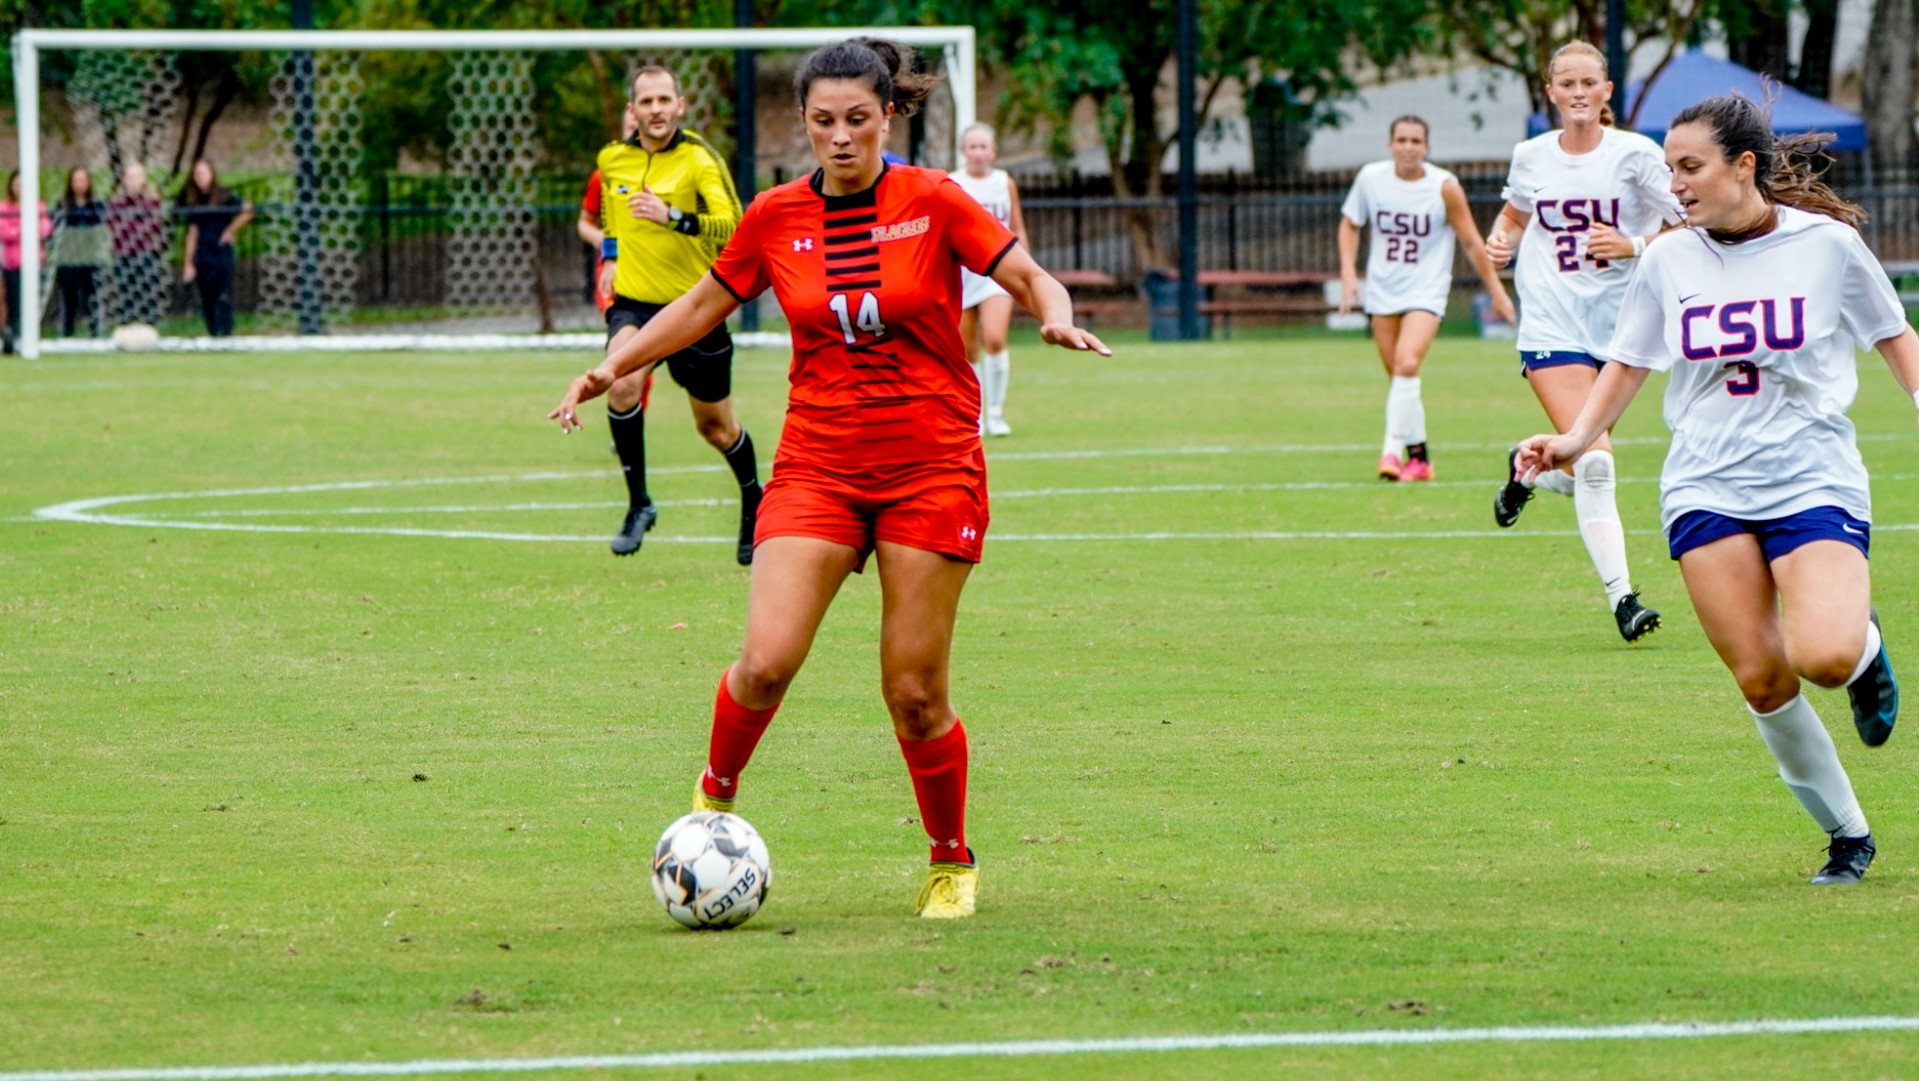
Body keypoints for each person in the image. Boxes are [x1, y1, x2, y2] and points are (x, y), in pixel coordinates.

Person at [551, 37, 1110, 918]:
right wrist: (611, 362)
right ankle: (712, 798)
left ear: (887, 115)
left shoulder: (934, 201)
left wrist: (1056, 314)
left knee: (914, 693)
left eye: (857, 119)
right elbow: (700, 305)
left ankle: (948, 859)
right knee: (765, 662)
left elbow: (1025, 272)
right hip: (817, 464)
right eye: (822, 122)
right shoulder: (775, 216)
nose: (839, 137)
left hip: (931, 466)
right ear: (803, 123)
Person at [1516, 93, 1918, 885]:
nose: (1676, 185)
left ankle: (1864, 646)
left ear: (1743, 166)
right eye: (1668, 170)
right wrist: (1571, 440)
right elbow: (1628, 360)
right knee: (1763, 678)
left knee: (1825, 657)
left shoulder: (1827, 245)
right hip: (1705, 481)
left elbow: (1894, 336)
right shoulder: (1666, 257)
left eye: (1690, 167)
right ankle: (1847, 835)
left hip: (1809, 475)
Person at [1483, 41, 1683, 642]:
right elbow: (1516, 216)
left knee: (1578, 461)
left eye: (1587, 83)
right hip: (1551, 324)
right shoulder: (1531, 156)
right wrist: (1502, 241)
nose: (1576, 92)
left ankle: (1529, 474)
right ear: (1550, 93)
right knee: (1595, 460)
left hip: (1621, 330)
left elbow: (1688, 222)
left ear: (1606, 92)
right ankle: (1624, 601)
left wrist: (1635, 245)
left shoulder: (1637, 156)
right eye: (1565, 83)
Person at [593, 66, 759, 564]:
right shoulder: (612, 160)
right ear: (633, 111)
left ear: (680, 106)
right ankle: (639, 504)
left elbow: (735, 228)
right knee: (620, 382)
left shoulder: (700, 158)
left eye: (665, 99)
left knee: (716, 428)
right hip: (636, 304)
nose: (656, 109)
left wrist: (675, 218)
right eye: (646, 101)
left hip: (696, 307)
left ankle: (755, 499)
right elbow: (611, 217)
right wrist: (611, 257)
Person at [1338, 115, 1516, 481]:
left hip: (1426, 291)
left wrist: (1497, 291)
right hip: (1383, 289)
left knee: (1406, 365)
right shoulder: (1371, 179)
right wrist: (1347, 274)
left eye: (1416, 141)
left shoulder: (1443, 186)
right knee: (1401, 379)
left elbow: (1470, 241)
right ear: (1390, 145)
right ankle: (1420, 459)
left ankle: (1390, 452)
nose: (1408, 147)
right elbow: (1350, 224)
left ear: (1427, 147)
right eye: (1401, 139)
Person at [950, 123, 1028, 436]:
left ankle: (996, 412)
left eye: (984, 147)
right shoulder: (953, 183)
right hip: (963, 272)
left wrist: (1026, 269)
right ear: (963, 151)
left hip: (997, 271)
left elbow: (1017, 226)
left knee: (994, 338)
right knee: (968, 350)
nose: (979, 153)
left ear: (993, 151)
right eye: (973, 147)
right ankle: (977, 412)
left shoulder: (1003, 182)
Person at [177, 159, 253, 338]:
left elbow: (248, 210)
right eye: (197, 174)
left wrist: (231, 230)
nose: (201, 178)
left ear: (211, 174)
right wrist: (188, 263)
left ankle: (226, 332)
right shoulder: (193, 201)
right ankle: (213, 332)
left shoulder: (224, 196)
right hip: (202, 253)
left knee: (222, 294)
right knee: (206, 296)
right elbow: (192, 233)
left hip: (220, 251)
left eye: (204, 173)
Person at [107, 162, 171, 330]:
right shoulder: (117, 203)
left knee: (149, 295)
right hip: (125, 254)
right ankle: (126, 330)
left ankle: (150, 329)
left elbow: (153, 225)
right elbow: (115, 227)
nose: (134, 181)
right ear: (125, 180)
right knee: (125, 295)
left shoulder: (152, 201)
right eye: (131, 177)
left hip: (148, 254)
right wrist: (134, 227)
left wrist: (131, 227)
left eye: (138, 177)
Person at [52, 168, 111, 338]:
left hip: (91, 257)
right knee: (69, 297)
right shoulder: (62, 205)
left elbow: (101, 230)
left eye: (83, 180)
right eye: (76, 180)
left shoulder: (96, 205)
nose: (80, 184)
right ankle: (66, 333)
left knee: (92, 296)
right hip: (69, 258)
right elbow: (56, 231)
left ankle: (96, 332)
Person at [1, 170, 53, 353]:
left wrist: (19, 231)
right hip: (13, 264)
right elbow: (5, 232)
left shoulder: (38, 207)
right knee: (13, 302)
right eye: (17, 184)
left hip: (33, 265)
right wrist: (27, 229)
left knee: (32, 303)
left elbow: (45, 229)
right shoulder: (4, 208)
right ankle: (11, 336)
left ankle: (31, 336)